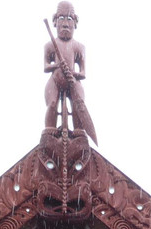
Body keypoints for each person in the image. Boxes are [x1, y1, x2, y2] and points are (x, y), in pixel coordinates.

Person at [44, 2, 97, 143]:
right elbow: (45, 66)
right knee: (53, 103)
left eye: (69, 19)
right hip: (55, 81)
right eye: (61, 18)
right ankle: (50, 133)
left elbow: (83, 72)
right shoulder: (50, 45)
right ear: (55, 22)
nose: (66, 24)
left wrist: (73, 74)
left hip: (73, 82)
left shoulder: (79, 47)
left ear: (75, 23)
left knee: (77, 105)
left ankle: (79, 133)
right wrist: (57, 65)